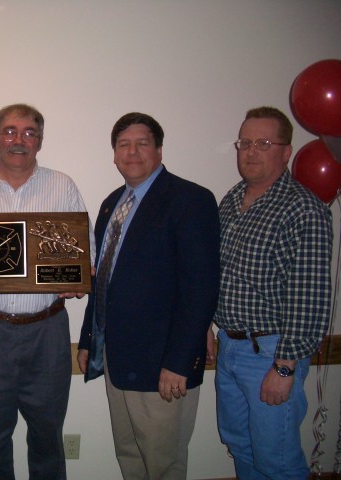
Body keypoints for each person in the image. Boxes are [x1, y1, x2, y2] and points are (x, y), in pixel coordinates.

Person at [0, 103, 94, 480]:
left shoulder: (62, 186)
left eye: (29, 133)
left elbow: (85, 253)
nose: (19, 140)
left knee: (47, 438)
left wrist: (75, 280)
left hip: (47, 333)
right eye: (10, 132)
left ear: (40, 141)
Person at [77, 112, 220, 479]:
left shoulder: (190, 199)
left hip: (162, 364)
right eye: (123, 144)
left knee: (163, 462)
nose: (132, 152)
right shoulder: (112, 204)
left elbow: (200, 287)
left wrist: (178, 361)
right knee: (129, 455)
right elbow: (102, 278)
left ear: (158, 150)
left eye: (142, 143)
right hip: (116, 357)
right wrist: (88, 340)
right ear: (113, 154)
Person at [213, 106, 332, 479]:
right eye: (244, 142)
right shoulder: (231, 201)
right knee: (241, 446)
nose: (250, 151)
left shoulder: (303, 208)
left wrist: (284, 367)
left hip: (270, 354)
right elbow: (216, 273)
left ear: (286, 151)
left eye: (263, 143)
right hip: (230, 348)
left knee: (277, 461)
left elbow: (309, 297)